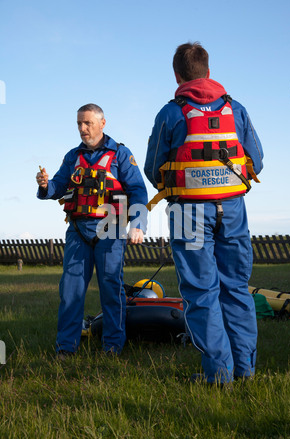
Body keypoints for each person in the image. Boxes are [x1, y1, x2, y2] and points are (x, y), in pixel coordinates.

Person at [144, 42, 263, 385]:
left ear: (177, 75)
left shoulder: (170, 113)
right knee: (237, 287)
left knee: (200, 292)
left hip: (186, 210)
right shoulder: (235, 108)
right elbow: (258, 159)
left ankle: (218, 375)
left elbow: (154, 169)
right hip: (234, 207)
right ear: (208, 72)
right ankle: (245, 371)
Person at [36, 103, 148, 358]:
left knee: (111, 289)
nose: (82, 128)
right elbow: (57, 188)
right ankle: (65, 348)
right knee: (70, 291)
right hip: (78, 230)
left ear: (102, 123)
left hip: (111, 230)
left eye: (87, 123)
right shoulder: (72, 156)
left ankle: (112, 347)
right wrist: (45, 185)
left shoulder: (121, 154)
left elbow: (138, 191)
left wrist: (137, 225)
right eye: (79, 123)